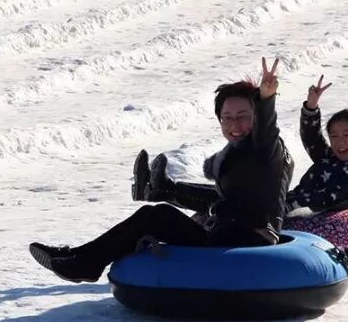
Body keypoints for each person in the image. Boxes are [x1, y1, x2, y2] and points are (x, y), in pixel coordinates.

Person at [30, 58, 294, 283]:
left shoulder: (265, 150)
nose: (234, 124)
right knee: (159, 214)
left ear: (256, 117)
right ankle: (78, 255)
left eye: (243, 115)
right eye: (227, 117)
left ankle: (85, 264)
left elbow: (267, 133)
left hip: (251, 242)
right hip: (227, 234)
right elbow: (229, 203)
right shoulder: (236, 155)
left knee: (155, 217)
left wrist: (265, 98)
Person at [284, 75, 348, 213]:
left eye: (347, 134)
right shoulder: (327, 158)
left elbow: (332, 198)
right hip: (289, 207)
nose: (340, 141)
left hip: (309, 220)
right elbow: (312, 138)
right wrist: (311, 106)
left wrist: (292, 205)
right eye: (333, 136)